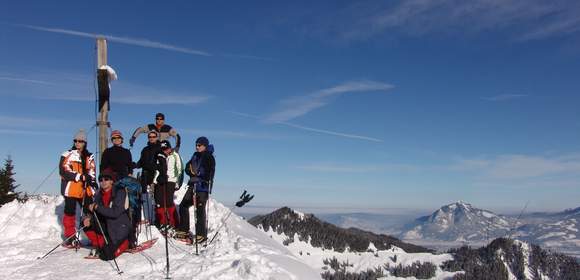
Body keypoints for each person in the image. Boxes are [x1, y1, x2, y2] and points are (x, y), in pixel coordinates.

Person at [59, 129, 96, 248]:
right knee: (69, 212)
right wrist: (80, 176)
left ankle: (94, 237)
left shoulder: (89, 156)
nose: (78, 143)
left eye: (80, 141)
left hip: (85, 189)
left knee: (89, 212)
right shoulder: (67, 154)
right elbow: (64, 171)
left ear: (85, 142)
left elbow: (92, 172)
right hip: (71, 189)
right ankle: (70, 238)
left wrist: (91, 180)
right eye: (76, 141)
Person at [82, 170, 131, 260]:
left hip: (118, 227)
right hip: (106, 225)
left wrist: (97, 207)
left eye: (106, 179)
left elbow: (115, 213)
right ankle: (100, 244)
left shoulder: (120, 192)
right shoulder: (98, 194)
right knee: (84, 223)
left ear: (112, 181)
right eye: (101, 180)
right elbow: (94, 211)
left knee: (106, 256)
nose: (103, 182)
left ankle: (125, 243)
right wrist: (88, 218)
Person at [176, 136, 215, 244]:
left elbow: (209, 173)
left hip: (202, 187)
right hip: (193, 185)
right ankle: (184, 230)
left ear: (205, 146)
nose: (197, 147)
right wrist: (191, 172)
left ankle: (201, 234)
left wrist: (198, 174)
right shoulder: (195, 155)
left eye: (199, 145)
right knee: (183, 205)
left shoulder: (209, 157)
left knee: (200, 210)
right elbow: (188, 167)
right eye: (196, 145)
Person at [153, 140, 181, 231]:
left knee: (169, 202)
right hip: (160, 180)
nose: (165, 151)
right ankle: (162, 222)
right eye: (163, 149)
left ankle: (175, 224)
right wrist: (154, 181)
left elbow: (180, 169)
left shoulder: (175, 155)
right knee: (159, 202)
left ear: (170, 147)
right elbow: (156, 169)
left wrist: (177, 183)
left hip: (171, 181)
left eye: (167, 149)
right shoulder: (160, 155)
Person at [136, 130, 161, 225]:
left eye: (153, 136)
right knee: (145, 197)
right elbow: (141, 161)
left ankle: (154, 220)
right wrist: (134, 165)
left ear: (157, 137)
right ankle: (148, 219)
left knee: (153, 198)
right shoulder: (145, 149)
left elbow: (161, 163)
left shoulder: (159, 148)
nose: (151, 138)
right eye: (150, 137)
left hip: (155, 176)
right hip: (145, 175)